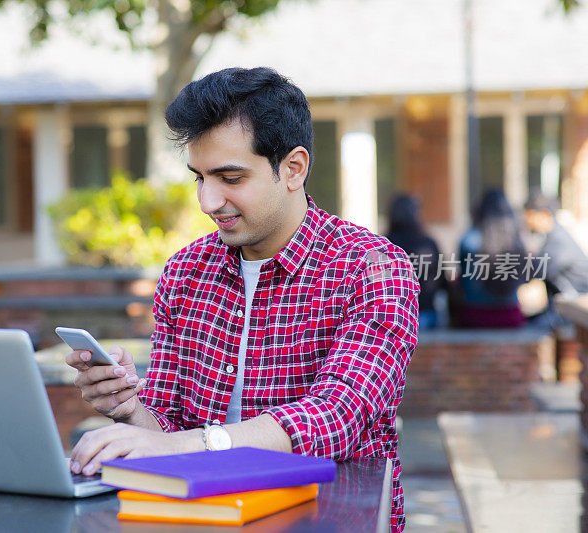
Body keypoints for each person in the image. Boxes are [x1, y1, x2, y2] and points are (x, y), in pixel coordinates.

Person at [65, 67, 419, 532]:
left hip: (326, 518)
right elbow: (168, 434)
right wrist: (130, 410)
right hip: (196, 521)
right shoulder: (185, 274)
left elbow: (334, 416)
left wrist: (187, 445)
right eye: (199, 178)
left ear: (293, 168)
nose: (209, 201)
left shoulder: (374, 269)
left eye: (230, 178)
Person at [453, 189, 526, 328]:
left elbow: (461, 280)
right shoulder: (517, 242)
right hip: (510, 315)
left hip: (474, 315)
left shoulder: (469, 240)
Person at [523, 189, 588, 326]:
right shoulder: (554, 237)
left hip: (575, 313)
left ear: (544, 214)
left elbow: (532, 272)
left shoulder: (559, 243)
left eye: (529, 215)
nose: (527, 221)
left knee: (527, 327)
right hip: (566, 309)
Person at [386, 194, 446, 329]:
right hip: (426, 314)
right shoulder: (429, 243)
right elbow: (443, 282)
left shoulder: (383, 245)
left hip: (394, 317)